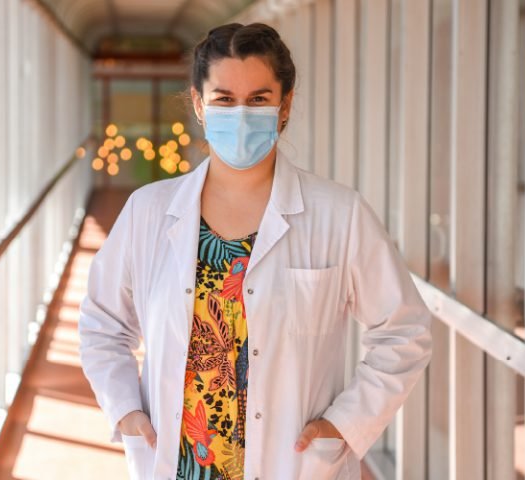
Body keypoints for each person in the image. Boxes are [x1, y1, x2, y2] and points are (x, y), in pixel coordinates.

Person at [78, 22, 433, 480]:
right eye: (225, 99)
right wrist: (125, 409)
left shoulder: (339, 214)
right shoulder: (148, 211)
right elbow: (102, 324)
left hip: (294, 464)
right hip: (180, 465)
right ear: (199, 104)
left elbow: (405, 330)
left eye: (259, 99)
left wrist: (345, 425)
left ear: (285, 105)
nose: (241, 115)